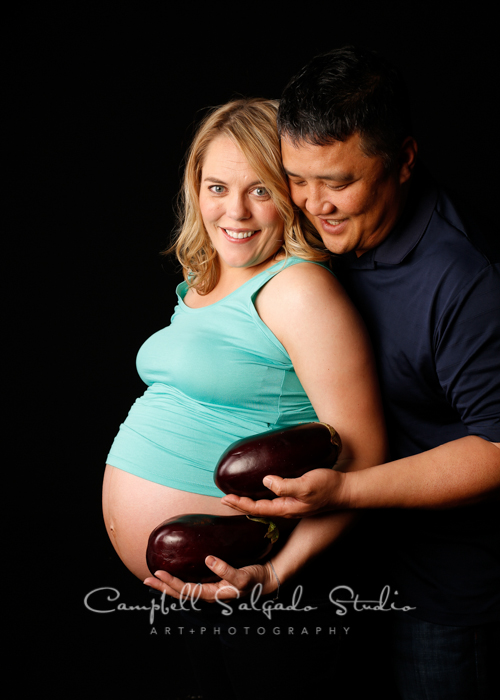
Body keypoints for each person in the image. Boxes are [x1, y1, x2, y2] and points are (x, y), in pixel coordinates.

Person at [221, 48, 500, 699]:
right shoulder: (310, 227)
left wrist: (347, 493)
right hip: (339, 563)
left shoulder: (465, 283)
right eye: (297, 178)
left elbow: (497, 449)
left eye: (338, 182)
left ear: (403, 159)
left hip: (442, 594)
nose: (315, 205)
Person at [103, 97, 387, 699]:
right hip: (198, 585)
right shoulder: (205, 278)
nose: (234, 211)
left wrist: (275, 573)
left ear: (289, 194)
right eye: (216, 187)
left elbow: (363, 455)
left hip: (258, 582)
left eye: (260, 190)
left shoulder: (298, 289)